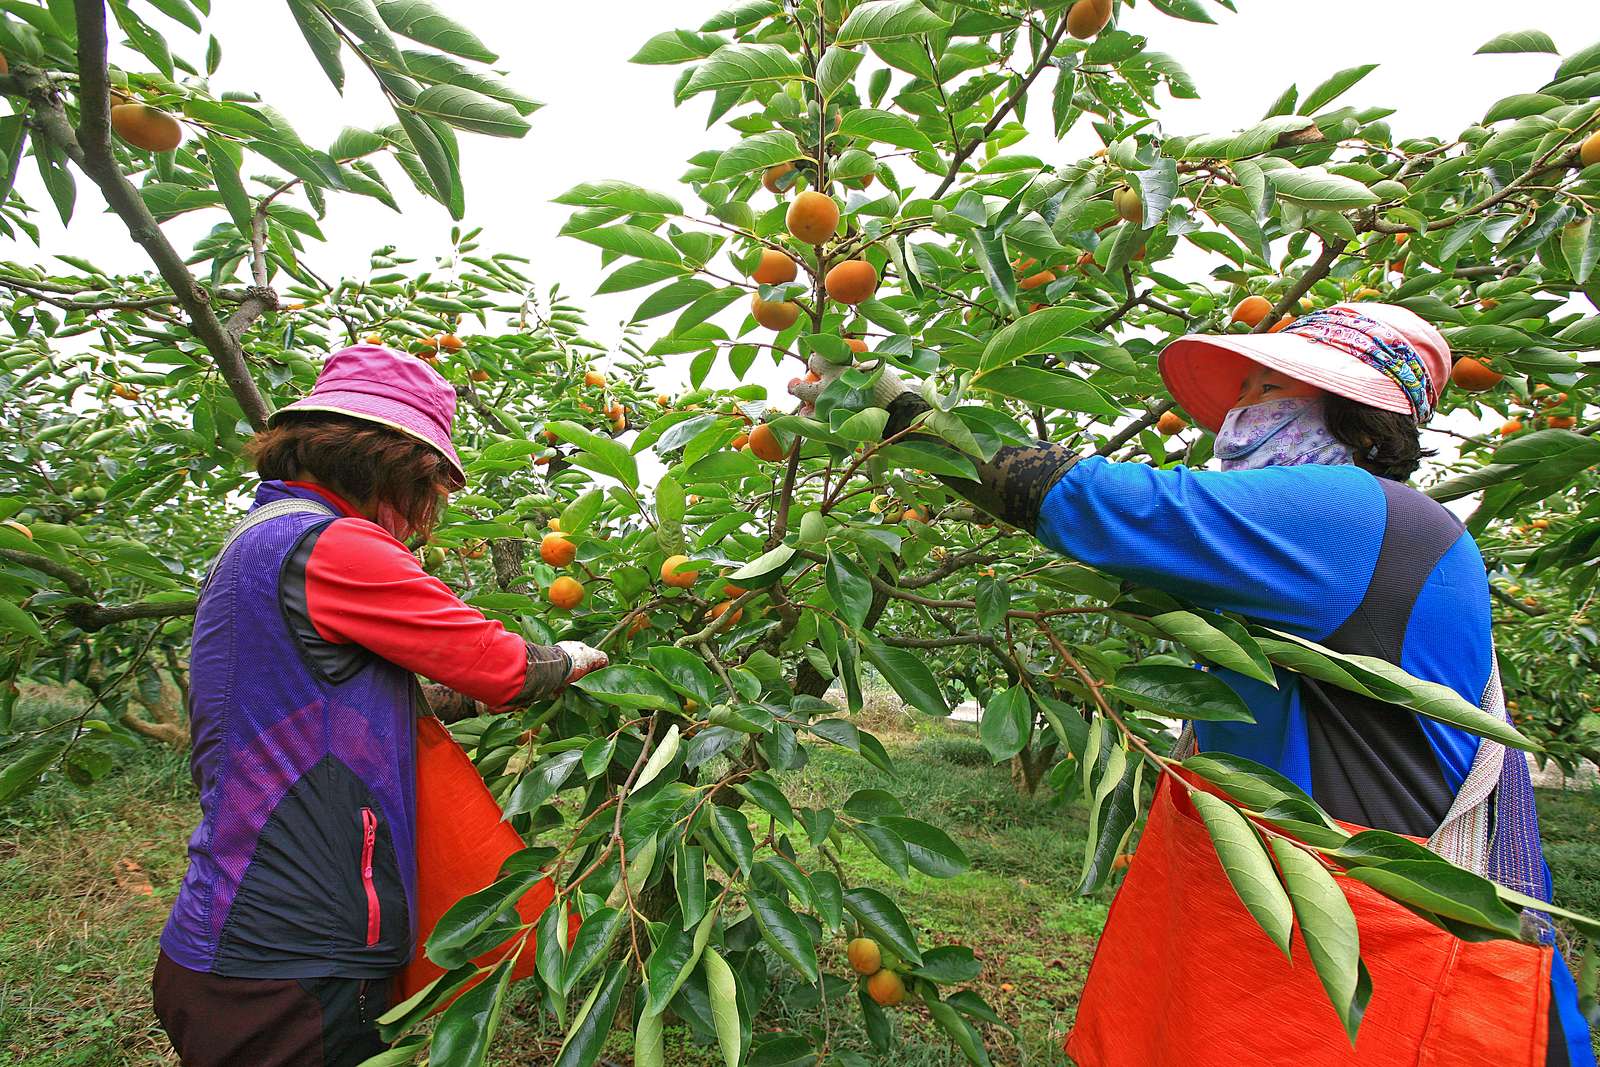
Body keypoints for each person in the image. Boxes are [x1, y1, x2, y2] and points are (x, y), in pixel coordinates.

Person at [793, 302, 1594, 1066]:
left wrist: (897, 407)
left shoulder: (1358, 512)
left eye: (1266, 387)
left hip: (1379, 940)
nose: (1239, 410)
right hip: (1312, 912)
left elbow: (1108, 505)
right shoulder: (1330, 542)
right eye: (1241, 389)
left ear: (1352, 408)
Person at [152, 344, 608, 1067]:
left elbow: (344, 697)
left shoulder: (255, 543)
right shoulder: (330, 544)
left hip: (232, 938)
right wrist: (573, 659)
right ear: (391, 468)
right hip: (292, 963)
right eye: (426, 493)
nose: (422, 525)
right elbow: (501, 667)